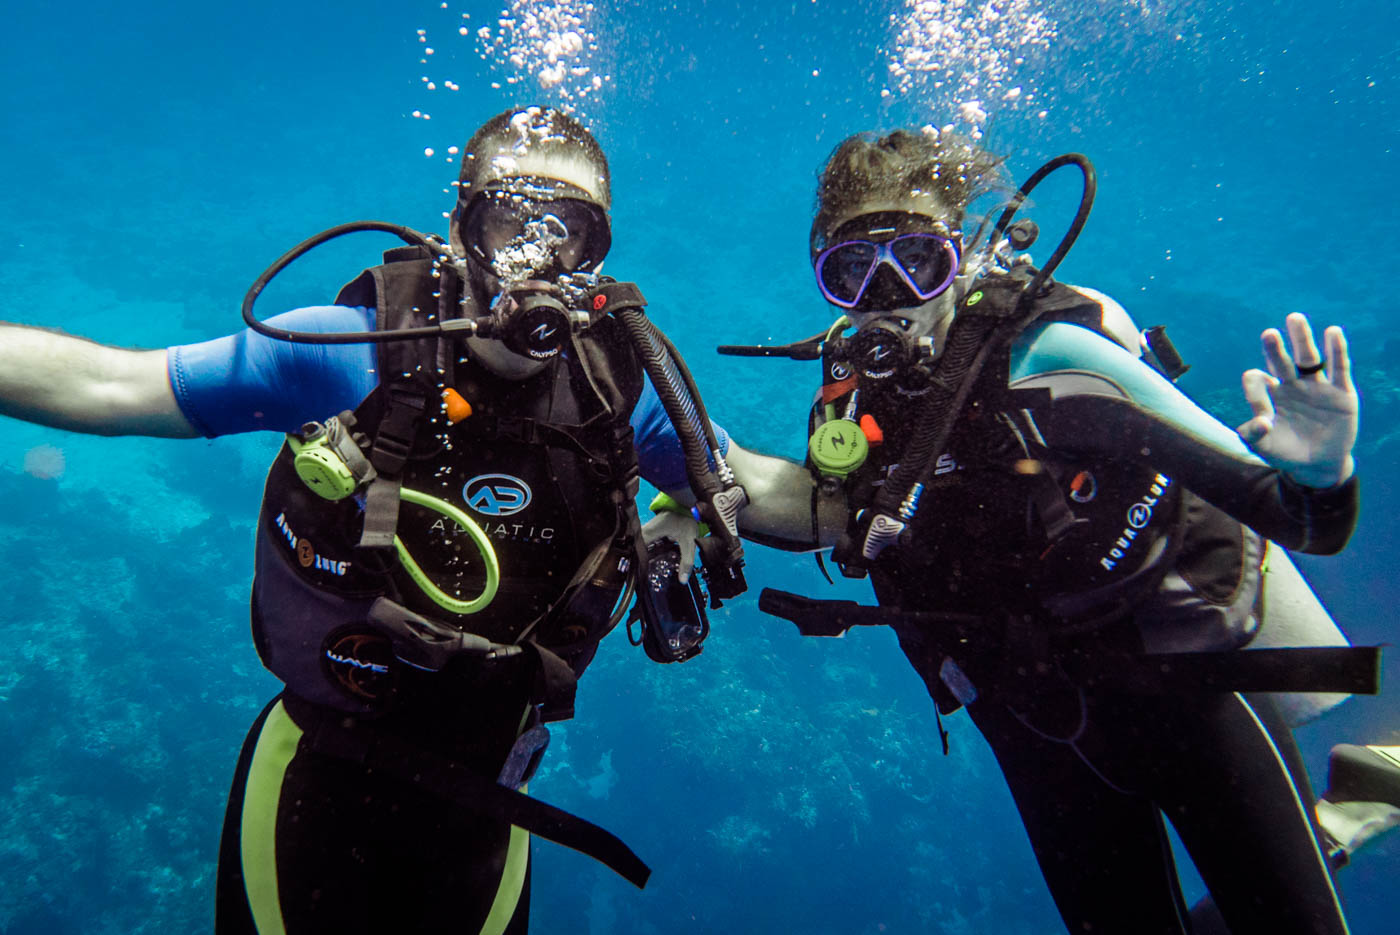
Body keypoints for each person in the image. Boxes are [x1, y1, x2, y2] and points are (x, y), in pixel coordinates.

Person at [0, 105, 745, 934]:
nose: (540, 260)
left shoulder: (620, 396)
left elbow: (759, 491)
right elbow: (112, 386)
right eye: (510, 221)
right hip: (316, 785)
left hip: (490, 815)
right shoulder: (349, 351)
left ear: (601, 254)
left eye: (571, 231)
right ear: (460, 231)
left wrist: (683, 521)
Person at [650, 127, 1397, 933]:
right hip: (1026, 718)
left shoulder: (1055, 353)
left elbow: (1307, 524)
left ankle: (1345, 816)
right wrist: (678, 480)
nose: (886, 293)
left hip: (1183, 701)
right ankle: (1343, 821)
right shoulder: (855, 401)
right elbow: (817, 510)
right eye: (852, 272)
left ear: (966, 253)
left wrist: (1319, 469)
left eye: (918, 260)